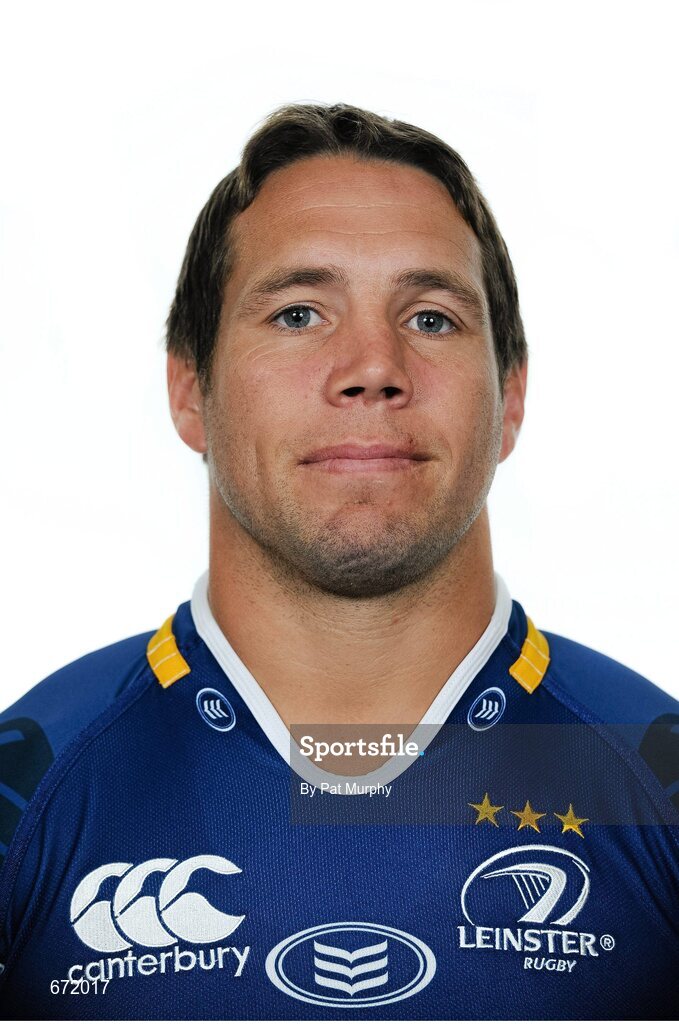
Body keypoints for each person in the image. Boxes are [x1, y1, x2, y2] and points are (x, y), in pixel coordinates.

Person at [0, 102, 677, 1021]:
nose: (370, 365)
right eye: (299, 312)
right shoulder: (26, 790)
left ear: (510, 398)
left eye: (431, 318)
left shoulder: (656, 779)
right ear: (188, 387)